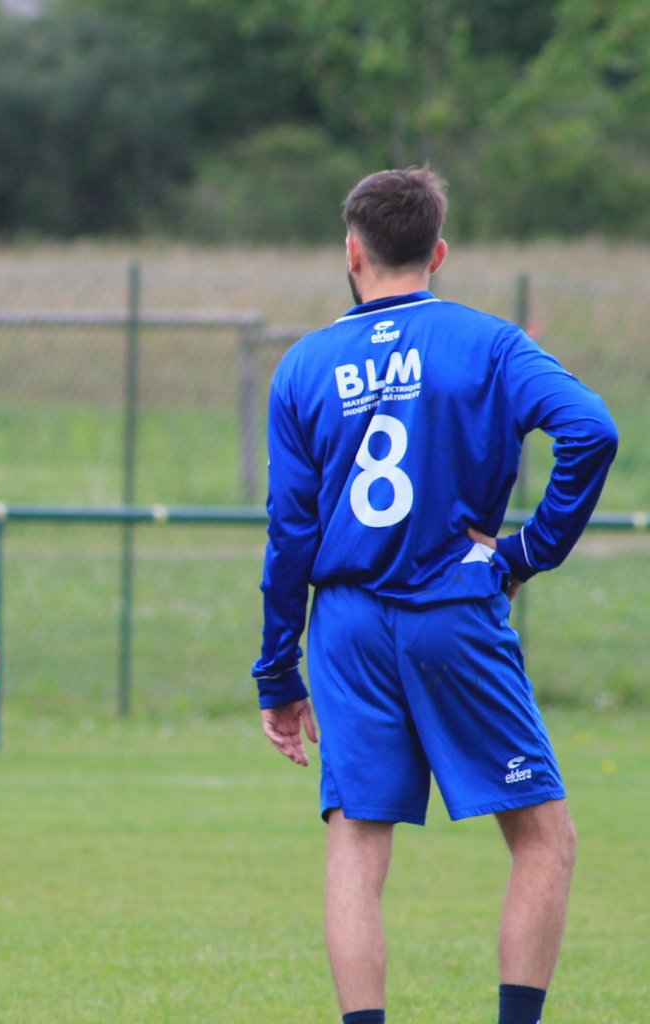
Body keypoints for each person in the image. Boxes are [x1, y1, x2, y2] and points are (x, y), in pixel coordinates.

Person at [253, 167, 617, 1024]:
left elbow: (288, 536)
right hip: (451, 605)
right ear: (439, 251)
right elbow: (590, 429)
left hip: (344, 624)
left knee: (356, 845)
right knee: (542, 838)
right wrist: (528, 552)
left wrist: (278, 672)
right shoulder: (488, 345)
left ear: (352, 251)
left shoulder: (304, 365)